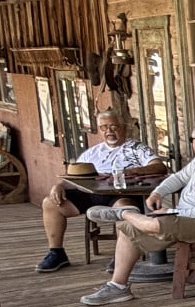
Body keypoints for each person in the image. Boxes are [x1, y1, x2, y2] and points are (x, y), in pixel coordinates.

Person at [78, 119, 195, 306]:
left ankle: (124, 213)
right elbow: (179, 177)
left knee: (154, 223)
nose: (192, 143)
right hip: (186, 217)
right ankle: (118, 287)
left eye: (192, 139)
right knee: (127, 228)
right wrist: (158, 192)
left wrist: (172, 211)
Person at [35, 111, 166, 273]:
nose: (109, 131)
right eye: (104, 127)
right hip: (91, 193)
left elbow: (159, 166)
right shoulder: (92, 152)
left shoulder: (136, 148)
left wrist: (131, 171)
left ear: (123, 127)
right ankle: (57, 253)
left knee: (124, 209)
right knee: (50, 203)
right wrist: (59, 186)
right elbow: (74, 176)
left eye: (113, 126)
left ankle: (121, 256)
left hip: (122, 194)